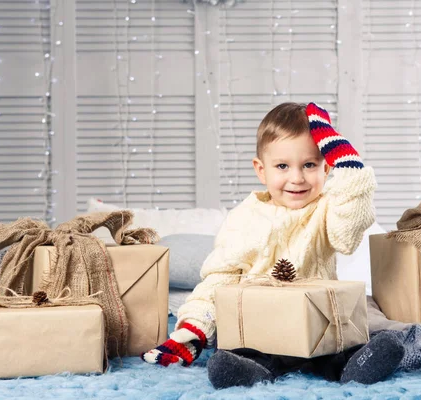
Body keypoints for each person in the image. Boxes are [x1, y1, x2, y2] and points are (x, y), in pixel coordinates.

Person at [141, 102, 405, 388]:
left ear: (326, 167)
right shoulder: (244, 218)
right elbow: (220, 277)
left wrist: (350, 167)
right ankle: (248, 372)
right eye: (282, 166)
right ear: (261, 170)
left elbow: (347, 235)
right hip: (260, 328)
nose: (297, 178)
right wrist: (192, 330)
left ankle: (357, 367)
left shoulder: (327, 209)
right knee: (240, 348)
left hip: (317, 327)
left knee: (341, 346)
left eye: (309, 164)